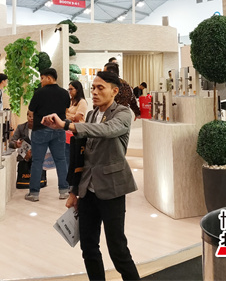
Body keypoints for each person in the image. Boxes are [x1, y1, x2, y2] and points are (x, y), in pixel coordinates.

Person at [42, 70, 140, 281]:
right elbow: (80, 157)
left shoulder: (123, 113)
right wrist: (73, 191)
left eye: (100, 88)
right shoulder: (91, 114)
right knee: (88, 247)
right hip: (87, 190)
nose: (94, 92)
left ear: (114, 91)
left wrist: (67, 125)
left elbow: (106, 130)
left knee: (118, 250)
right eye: (93, 88)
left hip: (112, 188)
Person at [25, 68, 70, 202]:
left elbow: (31, 110)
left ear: (49, 78)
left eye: (42, 78)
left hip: (40, 130)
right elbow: (66, 110)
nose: (41, 81)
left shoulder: (39, 93)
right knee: (61, 160)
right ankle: (64, 191)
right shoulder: (64, 93)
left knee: (37, 161)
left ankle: (34, 193)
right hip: (59, 129)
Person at [65, 80, 88, 170]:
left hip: (77, 132)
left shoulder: (82, 102)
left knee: (74, 157)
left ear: (77, 89)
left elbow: (77, 118)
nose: (69, 91)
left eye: (71, 89)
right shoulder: (70, 101)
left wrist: (67, 116)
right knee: (67, 155)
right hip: (67, 132)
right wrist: (70, 116)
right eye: (69, 89)